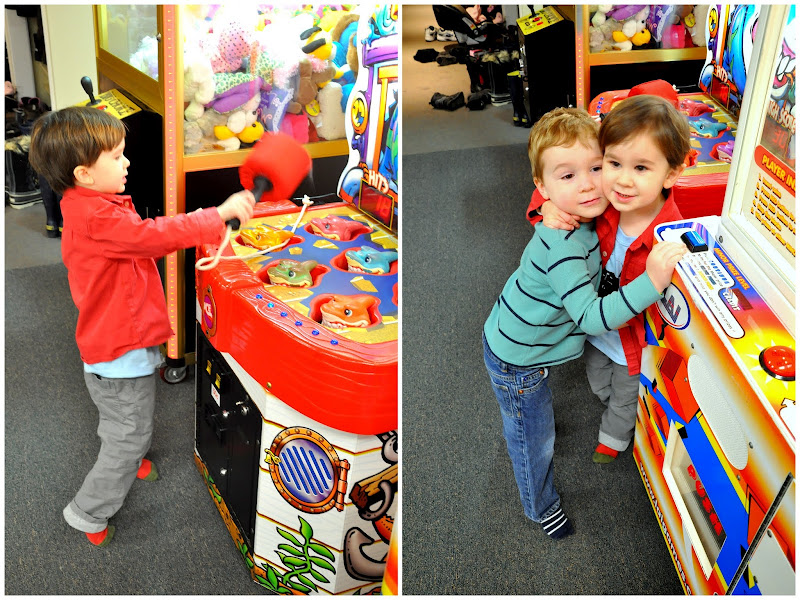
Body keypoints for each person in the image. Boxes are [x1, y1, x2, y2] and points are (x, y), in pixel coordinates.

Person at [28, 106, 256, 547]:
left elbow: (142, 237)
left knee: (122, 418)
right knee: (128, 432)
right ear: (84, 174)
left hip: (116, 339)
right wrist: (216, 215)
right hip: (118, 354)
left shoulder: (85, 203)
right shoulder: (99, 218)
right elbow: (152, 236)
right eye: (116, 156)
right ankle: (88, 511)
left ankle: (129, 455)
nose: (127, 162)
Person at [483, 106, 686, 539]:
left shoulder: (592, 209)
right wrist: (652, 282)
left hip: (524, 336)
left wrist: (545, 205)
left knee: (533, 418)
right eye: (569, 176)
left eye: (597, 167)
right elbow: (592, 318)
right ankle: (540, 506)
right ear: (543, 186)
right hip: (517, 358)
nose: (590, 184)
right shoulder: (565, 243)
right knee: (531, 440)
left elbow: (563, 181)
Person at [529, 94, 691, 464]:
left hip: (633, 338)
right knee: (598, 378)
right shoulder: (604, 202)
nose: (623, 180)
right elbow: (555, 189)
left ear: (670, 174)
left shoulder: (670, 235)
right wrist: (546, 206)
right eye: (613, 163)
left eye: (641, 168)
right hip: (594, 323)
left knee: (624, 395)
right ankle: (618, 409)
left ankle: (614, 438)